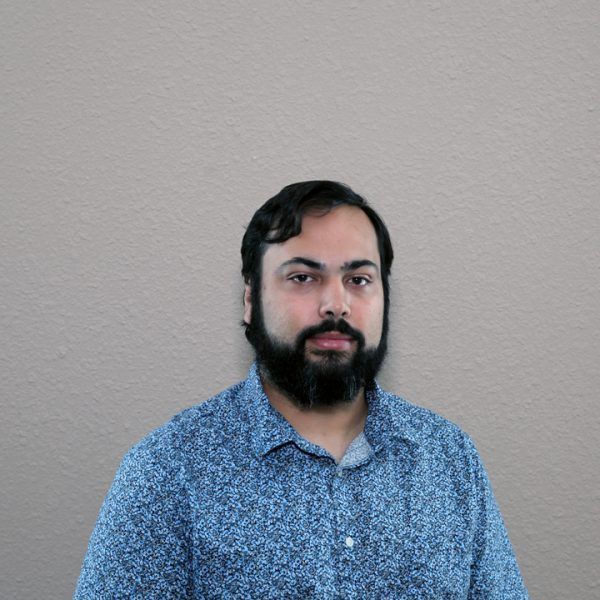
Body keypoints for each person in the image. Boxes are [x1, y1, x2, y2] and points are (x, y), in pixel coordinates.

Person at [75, 181, 528, 598]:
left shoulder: (451, 459)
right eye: (303, 277)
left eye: (359, 280)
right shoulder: (166, 470)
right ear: (251, 300)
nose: (336, 303)